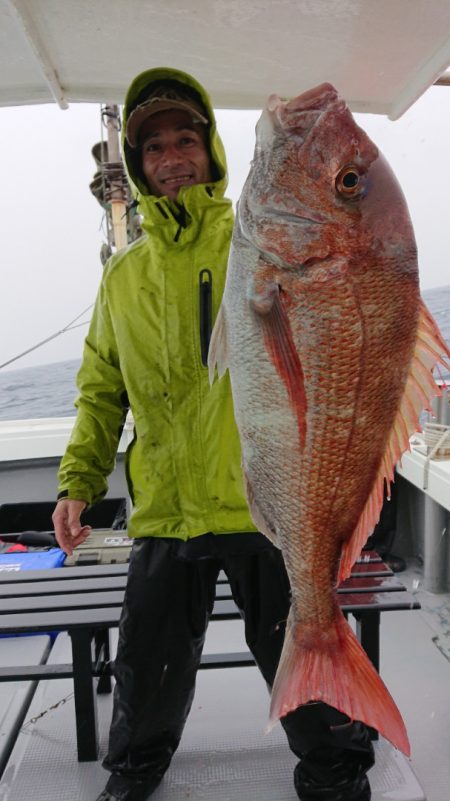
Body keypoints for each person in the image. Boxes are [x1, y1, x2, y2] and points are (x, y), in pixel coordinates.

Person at [52, 67, 375, 801]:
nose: (173, 158)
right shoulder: (123, 277)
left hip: (262, 502)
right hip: (167, 509)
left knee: (305, 652)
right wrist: (77, 482)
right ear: (137, 165)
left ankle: (337, 774)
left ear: (212, 149)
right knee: (146, 670)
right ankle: (134, 774)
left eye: (185, 140)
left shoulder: (259, 237)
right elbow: (101, 391)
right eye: (155, 147)